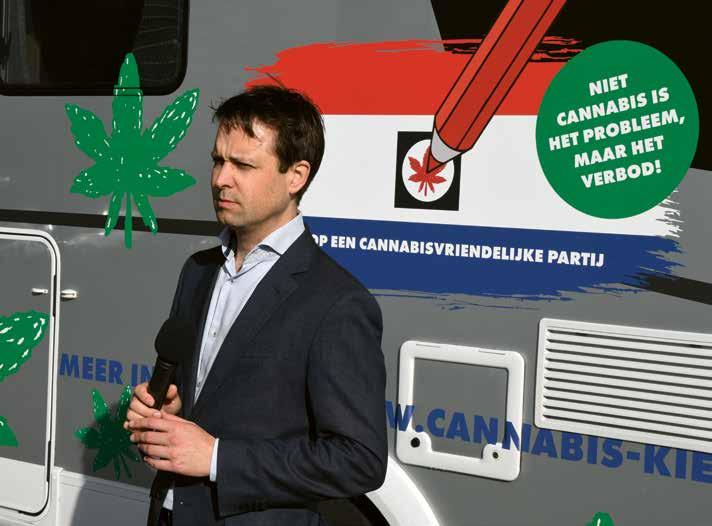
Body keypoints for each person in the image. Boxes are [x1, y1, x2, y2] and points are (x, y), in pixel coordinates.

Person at [124, 85, 388, 526]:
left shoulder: (337, 301)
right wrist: (166, 414)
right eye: (218, 160)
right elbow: (208, 403)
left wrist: (217, 458)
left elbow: (359, 460)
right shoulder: (198, 271)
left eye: (243, 165)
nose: (220, 179)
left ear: (296, 176)